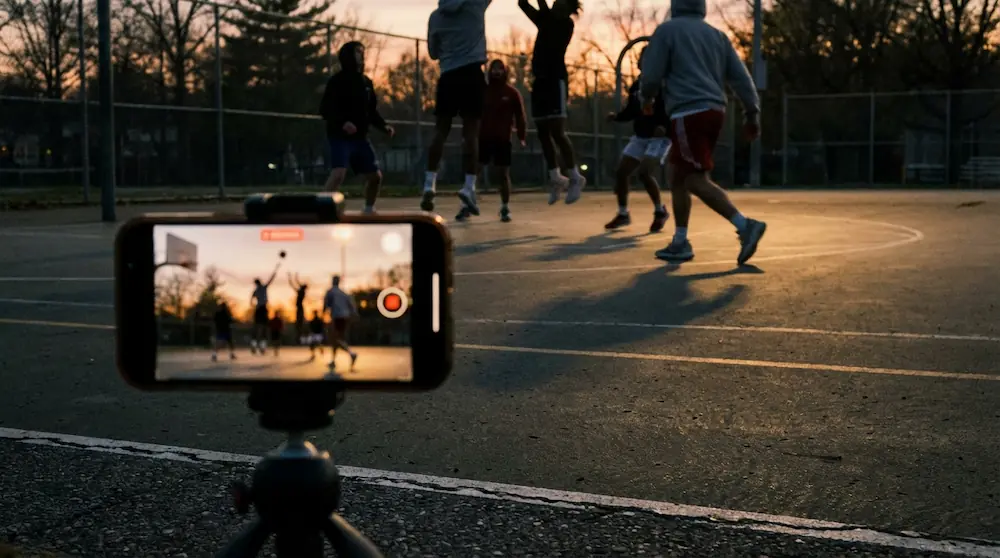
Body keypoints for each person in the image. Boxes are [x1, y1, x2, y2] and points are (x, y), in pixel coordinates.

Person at [639, 0, 766, 265]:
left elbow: (651, 74)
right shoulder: (717, 36)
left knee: (693, 180)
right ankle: (680, 241)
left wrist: (646, 98)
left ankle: (745, 225)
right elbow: (741, 78)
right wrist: (752, 112)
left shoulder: (668, 31)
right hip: (714, 110)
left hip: (689, 111)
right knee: (677, 175)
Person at [423, 0, 493, 216]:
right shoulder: (475, 5)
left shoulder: (436, 16)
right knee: (471, 133)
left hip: (448, 76)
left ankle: (429, 184)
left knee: (440, 131)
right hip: (471, 74)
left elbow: (433, 53)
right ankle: (469, 186)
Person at [517, 0, 586, 205]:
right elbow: (522, 4)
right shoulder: (545, 19)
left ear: (567, 7)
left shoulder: (565, 24)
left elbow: (545, 12)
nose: (555, 3)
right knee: (543, 133)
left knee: (557, 131)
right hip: (539, 83)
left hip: (556, 81)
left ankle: (575, 176)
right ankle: (555, 177)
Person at [319, 41, 395, 214]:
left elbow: (371, 111)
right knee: (338, 173)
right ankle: (320, 209)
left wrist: (383, 126)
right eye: (358, 52)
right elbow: (325, 109)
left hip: (360, 139)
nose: (361, 55)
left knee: (375, 177)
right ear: (348, 56)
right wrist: (343, 123)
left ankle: (369, 209)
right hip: (340, 137)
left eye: (362, 52)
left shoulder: (366, 83)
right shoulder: (336, 82)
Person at [604, 47, 670, 233]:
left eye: (646, 58)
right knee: (622, 172)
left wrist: (665, 125)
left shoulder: (664, 84)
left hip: (660, 138)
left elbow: (673, 108)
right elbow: (632, 111)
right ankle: (623, 213)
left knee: (644, 172)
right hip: (641, 136)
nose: (641, 61)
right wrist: (616, 116)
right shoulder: (637, 85)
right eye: (641, 58)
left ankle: (660, 211)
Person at [456, 59, 527, 223]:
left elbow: (520, 117)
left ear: (505, 71)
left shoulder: (512, 93)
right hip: (483, 139)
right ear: (489, 71)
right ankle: (466, 206)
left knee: (502, 175)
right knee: (475, 172)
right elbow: (471, 118)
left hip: (503, 140)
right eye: (493, 68)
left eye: (500, 68)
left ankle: (505, 207)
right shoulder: (482, 92)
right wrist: (467, 136)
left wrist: (521, 137)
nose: (496, 71)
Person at [322, 275, 359, 370]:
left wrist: (323, 314)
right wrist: (353, 314)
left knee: (335, 339)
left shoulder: (330, 292)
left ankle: (351, 354)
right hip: (345, 317)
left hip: (336, 317)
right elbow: (351, 305)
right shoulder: (343, 293)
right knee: (338, 339)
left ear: (332, 281)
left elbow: (326, 304)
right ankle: (333, 361)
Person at [249, 263, 280, 354]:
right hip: (263, 309)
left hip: (259, 309)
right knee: (263, 328)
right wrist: (275, 271)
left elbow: (251, 299)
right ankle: (260, 346)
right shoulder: (263, 287)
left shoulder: (256, 290)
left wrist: (252, 304)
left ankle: (255, 344)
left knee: (257, 327)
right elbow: (270, 280)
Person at [288, 272, 309, 344]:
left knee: (299, 323)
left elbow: (295, 284)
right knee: (298, 323)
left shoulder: (301, 291)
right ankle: (298, 337)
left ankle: (299, 337)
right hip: (299, 308)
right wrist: (295, 277)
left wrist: (291, 278)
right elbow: (297, 283)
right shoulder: (301, 291)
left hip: (300, 308)